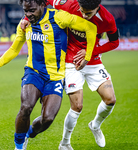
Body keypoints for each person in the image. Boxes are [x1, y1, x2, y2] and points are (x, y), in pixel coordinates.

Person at [0, 0, 97, 150]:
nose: (28, 15)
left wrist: (87, 56)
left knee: (47, 118)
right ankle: (19, 146)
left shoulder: (59, 18)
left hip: (55, 77)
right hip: (33, 72)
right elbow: (14, 49)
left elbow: (91, 28)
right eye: (25, 11)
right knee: (26, 106)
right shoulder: (25, 24)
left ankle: (28, 133)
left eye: (32, 11)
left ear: (43, 4)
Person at [35, 0, 118, 149]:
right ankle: (65, 143)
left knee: (110, 99)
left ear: (97, 8)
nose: (84, 16)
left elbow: (115, 42)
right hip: (70, 62)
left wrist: (91, 52)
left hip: (93, 61)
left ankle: (95, 125)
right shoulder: (67, 4)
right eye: (82, 11)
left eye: (89, 13)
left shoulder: (107, 19)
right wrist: (27, 20)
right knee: (77, 106)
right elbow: (43, 2)